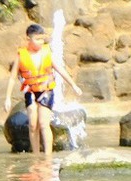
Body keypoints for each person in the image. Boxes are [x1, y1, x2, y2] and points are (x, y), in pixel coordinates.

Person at [5, 23, 79, 155]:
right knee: (33, 125)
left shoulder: (47, 53)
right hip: (30, 91)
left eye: (42, 39)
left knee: (44, 124)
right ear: (28, 39)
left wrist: (73, 85)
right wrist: (7, 98)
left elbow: (60, 70)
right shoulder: (21, 55)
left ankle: (48, 156)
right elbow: (12, 78)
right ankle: (36, 155)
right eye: (37, 39)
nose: (41, 42)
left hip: (46, 91)